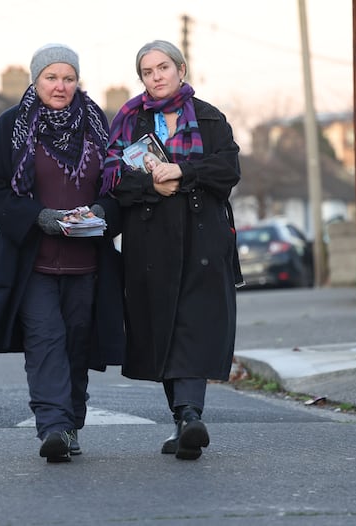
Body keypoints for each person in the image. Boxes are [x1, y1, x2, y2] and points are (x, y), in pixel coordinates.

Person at [0, 43, 125, 462]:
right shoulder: (11, 126)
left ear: (78, 81)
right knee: (45, 341)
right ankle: (54, 427)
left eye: (68, 78)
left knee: (78, 345)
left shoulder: (101, 126)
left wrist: (100, 212)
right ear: (35, 80)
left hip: (88, 263)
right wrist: (39, 217)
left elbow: (120, 189)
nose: (60, 86)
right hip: (32, 262)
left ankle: (72, 423)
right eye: (51, 77)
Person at [100, 40, 242, 460]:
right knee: (162, 327)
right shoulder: (129, 120)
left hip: (202, 235)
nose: (156, 76)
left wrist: (183, 171)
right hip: (150, 238)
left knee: (194, 325)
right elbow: (111, 179)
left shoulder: (210, 117)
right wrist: (151, 184)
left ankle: (188, 412)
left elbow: (228, 169)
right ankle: (185, 420)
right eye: (147, 71)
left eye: (163, 67)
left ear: (180, 69)